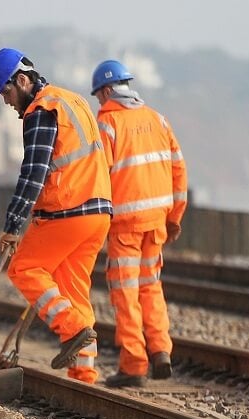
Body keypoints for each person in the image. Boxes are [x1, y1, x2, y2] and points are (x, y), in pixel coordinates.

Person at [0, 47, 113, 384]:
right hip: (98, 212)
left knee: (24, 268)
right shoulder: (73, 101)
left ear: (23, 80)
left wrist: (12, 224)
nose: (9, 102)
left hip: (67, 211)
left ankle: (71, 329)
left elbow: (33, 172)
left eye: (8, 92)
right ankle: (84, 372)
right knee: (73, 289)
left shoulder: (41, 110)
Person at [91, 60, 188, 387]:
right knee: (150, 287)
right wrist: (174, 217)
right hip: (157, 222)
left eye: (98, 98)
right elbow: (178, 170)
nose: (99, 104)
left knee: (125, 292)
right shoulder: (157, 119)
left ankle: (133, 365)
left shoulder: (107, 124)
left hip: (126, 226)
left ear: (107, 90)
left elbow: (97, 177)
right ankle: (160, 349)